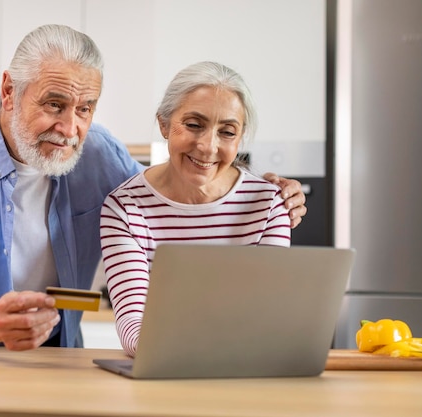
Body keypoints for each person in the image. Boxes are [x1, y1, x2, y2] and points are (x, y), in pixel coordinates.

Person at [0, 25, 306, 352]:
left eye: (85, 109)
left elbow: (167, 191)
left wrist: (260, 186)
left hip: (59, 354)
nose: (70, 129)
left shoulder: (97, 152)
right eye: (54, 104)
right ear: (9, 91)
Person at [100, 61, 292, 357]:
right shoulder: (125, 208)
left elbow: (268, 318)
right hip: (163, 376)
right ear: (164, 124)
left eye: (227, 132)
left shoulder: (267, 204)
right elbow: (134, 329)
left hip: (246, 377)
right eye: (193, 125)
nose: (207, 146)